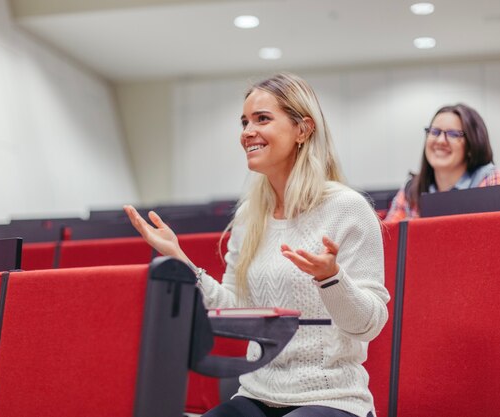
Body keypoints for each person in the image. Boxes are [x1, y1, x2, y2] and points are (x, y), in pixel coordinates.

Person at [124, 73, 389, 417]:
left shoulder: (347, 208)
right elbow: (236, 314)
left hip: (331, 397)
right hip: (256, 393)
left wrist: (331, 278)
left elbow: (370, 324)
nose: (247, 131)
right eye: (245, 121)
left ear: (303, 129)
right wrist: (179, 259)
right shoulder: (251, 215)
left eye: (262, 119)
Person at [385, 103, 500, 222]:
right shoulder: (411, 189)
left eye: (453, 134)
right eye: (434, 132)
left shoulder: (490, 180)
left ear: (471, 146)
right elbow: (388, 240)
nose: (440, 141)